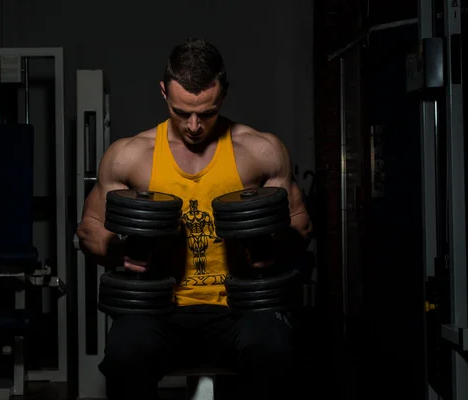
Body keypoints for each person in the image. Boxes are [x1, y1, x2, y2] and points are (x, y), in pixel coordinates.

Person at [76, 37, 313, 400]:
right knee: (125, 353)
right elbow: (89, 228)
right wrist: (119, 256)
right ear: (163, 92)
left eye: (207, 112)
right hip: (160, 311)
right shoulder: (131, 155)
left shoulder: (260, 150)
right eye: (181, 111)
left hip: (239, 310)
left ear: (224, 93)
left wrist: (274, 249)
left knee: (275, 349)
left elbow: (300, 222)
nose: (194, 125)